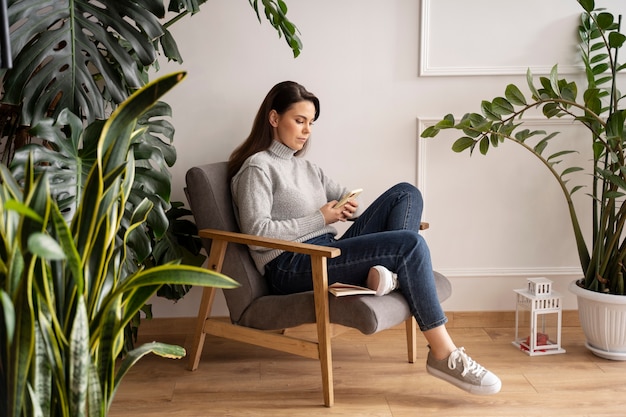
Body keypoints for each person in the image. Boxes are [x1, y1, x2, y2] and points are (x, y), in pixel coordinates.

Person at [228, 81, 502, 395]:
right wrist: (321, 218)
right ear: (274, 119)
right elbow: (256, 234)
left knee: (405, 193)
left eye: (311, 123)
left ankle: (390, 275)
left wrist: (348, 207)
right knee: (410, 244)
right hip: (293, 265)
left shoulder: (307, 168)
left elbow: (344, 199)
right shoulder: (257, 168)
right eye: (299, 121)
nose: (306, 131)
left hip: (328, 252)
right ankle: (443, 353)